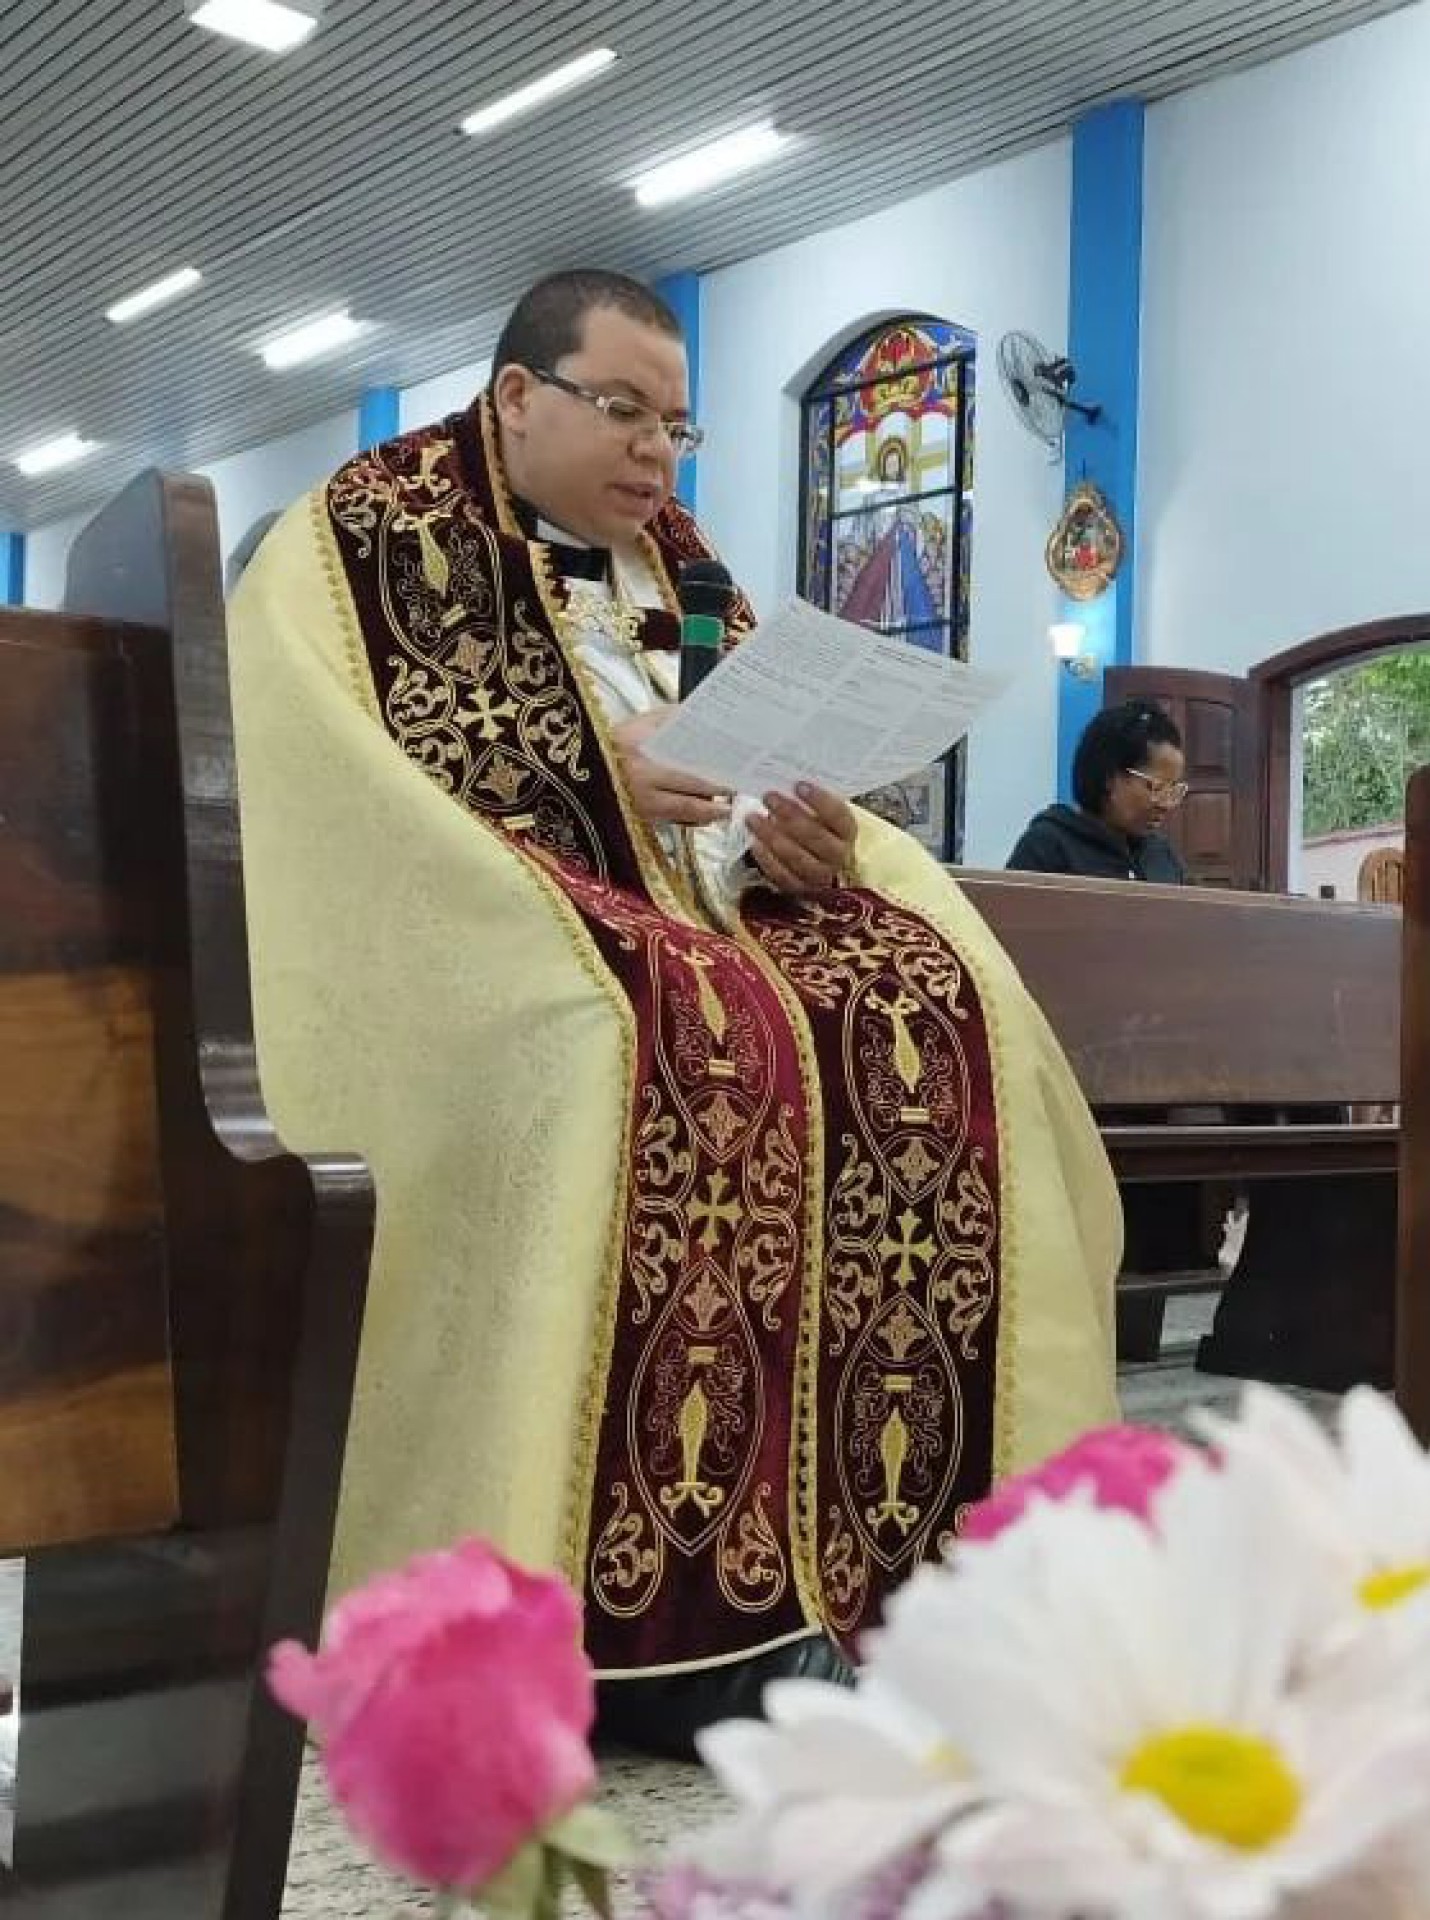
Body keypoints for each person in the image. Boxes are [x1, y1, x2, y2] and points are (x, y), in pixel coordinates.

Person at [225, 269, 1120, 1752]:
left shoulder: (685, 576)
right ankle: (681, 1634)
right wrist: (591, 775)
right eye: (623, 411)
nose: (656, 453)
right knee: (653, 1045)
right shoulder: (371, 537)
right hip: (481, 943)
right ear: (518, 398)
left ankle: (920, 1577)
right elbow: (331, 791)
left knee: (931, 1007)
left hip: (711, 921)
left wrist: (815, 843)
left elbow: (750, 783)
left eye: (678, 427)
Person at [1006, 698, 1189, 881]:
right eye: (1157, 788)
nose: (1166, 805)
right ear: (1110, 777)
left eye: (1173, 791)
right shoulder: (1047, 847)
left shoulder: (1162, 855)